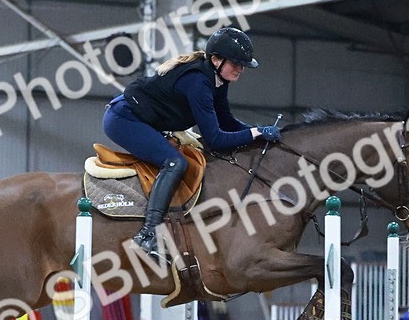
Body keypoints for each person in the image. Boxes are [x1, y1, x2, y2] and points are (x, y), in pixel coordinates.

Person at [102, 27, 282, 257]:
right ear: (216, 59)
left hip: (142, 118)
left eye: (243, 64)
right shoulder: (198, 82)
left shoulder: (218, 79)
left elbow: (226, 120)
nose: (240, 69)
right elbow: (215, 139)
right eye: (235, 63)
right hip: (123, 119)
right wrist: (256, 133)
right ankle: (147, 234)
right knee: (175, 162)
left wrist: (259, 132)